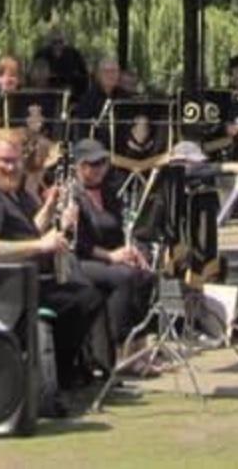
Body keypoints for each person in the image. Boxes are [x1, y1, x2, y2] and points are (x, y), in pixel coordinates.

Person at [0, 127, 105, 406]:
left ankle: (77, 371)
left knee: (85, 289)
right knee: (83, 299)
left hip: (25, 276)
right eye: (4, 161)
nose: (11, 167)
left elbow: (25, 233)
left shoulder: (13, 192)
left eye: (15, 161)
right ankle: (60, 375)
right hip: (3, 287)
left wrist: (50, 209)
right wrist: (41, 246)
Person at [68, 137, 155, 355]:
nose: (99, 169)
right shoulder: (72, 195)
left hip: (110, 255)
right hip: (81, 259)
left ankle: (140, 344)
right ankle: (119, 346)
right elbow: (77, 243)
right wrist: (110, 256)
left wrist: (132, 251)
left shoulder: (109, 192)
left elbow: (120, 231)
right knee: (123, 277)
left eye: (103, 163)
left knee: (145, 275)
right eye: (93, 164)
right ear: (79, 166)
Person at [34, 29, 90, 97]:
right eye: (54, 42)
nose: (58, 45)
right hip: (47, 93)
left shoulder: (74, 55)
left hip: (71, 94)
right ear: (50, 43)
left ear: (64, 42)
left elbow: (84, 77)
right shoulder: (41, 55)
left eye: (60, 42)